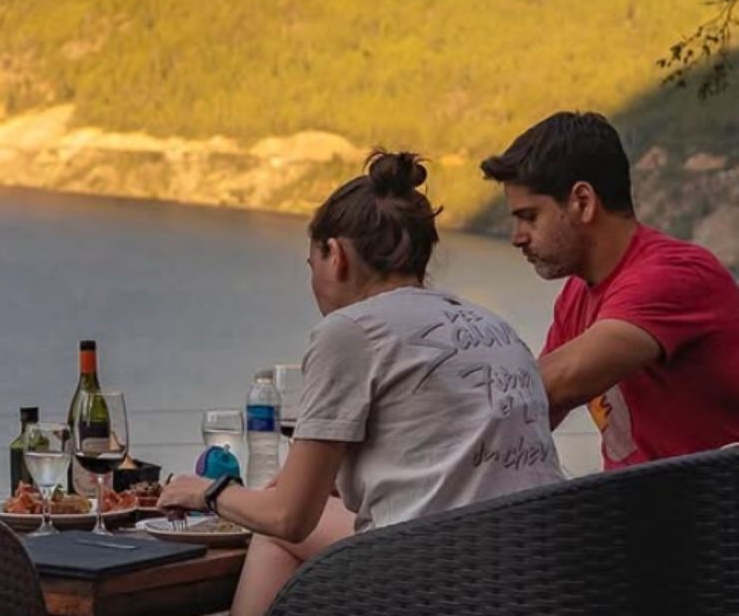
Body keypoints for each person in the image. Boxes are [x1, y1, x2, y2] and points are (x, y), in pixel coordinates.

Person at [160, 151, 563, 616]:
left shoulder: (351, 330)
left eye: (311, 263)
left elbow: (290, 517)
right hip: (531, 575)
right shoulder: (494, 326)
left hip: (435, 581)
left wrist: (206, 492)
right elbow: (440, 456)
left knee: (272, 533)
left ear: (336, 255)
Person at [481, 111, 739, 468]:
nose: (517, 237)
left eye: (530, 217)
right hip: (641, 500)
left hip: (715, 499)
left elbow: (557, 383)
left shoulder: (674, 275)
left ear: (583, 202)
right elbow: (533, 412)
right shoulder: (576, 294)